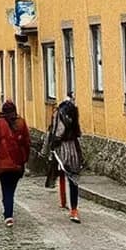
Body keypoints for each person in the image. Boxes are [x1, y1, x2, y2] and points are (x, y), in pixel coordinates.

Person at [0, 100, 30, 227]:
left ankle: (8, 215)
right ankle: (8, 210)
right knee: (11, 189)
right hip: (17, 163)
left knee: (6, 189)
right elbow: (27, 142)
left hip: (4, 164)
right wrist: (25, 158)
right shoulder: (21, 122)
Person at [43, 95, 85, 224]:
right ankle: (74, 209)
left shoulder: (59, 113)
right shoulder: (74, 112)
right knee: (73, 178)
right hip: (73, 146)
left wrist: (53, 144)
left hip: (62, 147)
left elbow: (58, 131)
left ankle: (64, 201)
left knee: (59, 169)